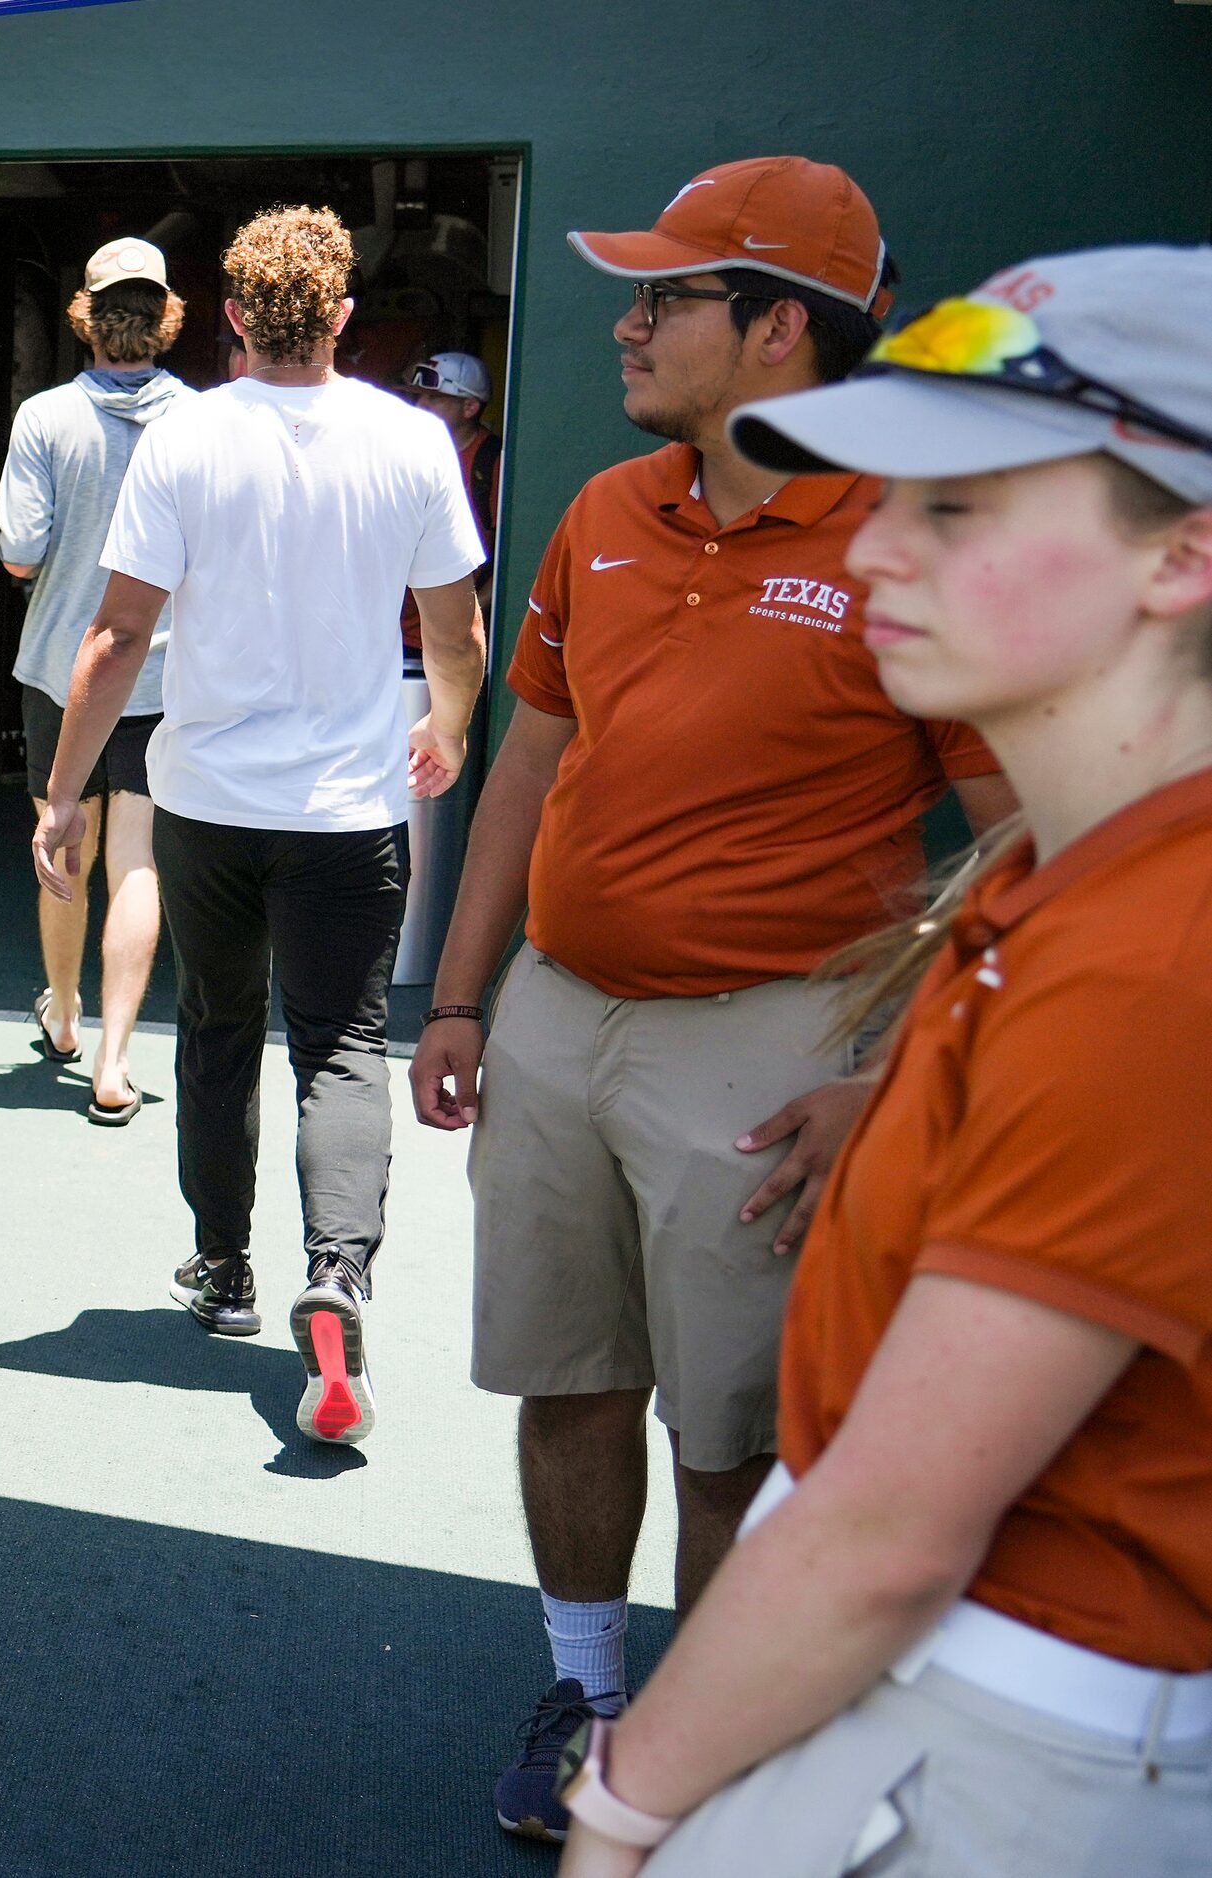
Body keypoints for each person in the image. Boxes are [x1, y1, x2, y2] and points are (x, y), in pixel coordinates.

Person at [555, 243, 1212, 1878]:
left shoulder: (1154, 951)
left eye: (957, 506)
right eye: (877, 493)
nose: (874, 549)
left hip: (992, 1738)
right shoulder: (1072, 877)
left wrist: (619, 1805)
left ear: (1181, 553)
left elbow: (885, 1536)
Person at [401, 157, 1017, 1839]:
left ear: (771, 332)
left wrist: (904, 1068)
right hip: (553, 1014)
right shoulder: (605, 512)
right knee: (565, 1375)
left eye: (664, 296)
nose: (628, 320)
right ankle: (594, 1691)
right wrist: (457, 997)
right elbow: (529, 760)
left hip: (778, 1033)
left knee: (728, 1431)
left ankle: (704, 1736)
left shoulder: (904, 540)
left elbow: (1022, 830)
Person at [36, 205, 489, 1448]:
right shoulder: (410, 442)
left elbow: (118, 637)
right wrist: (447, 727)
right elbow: (453, 629)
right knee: (342, 1045)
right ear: (342, 316)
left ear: (231, 317)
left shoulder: (182, 444)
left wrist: (67, 789)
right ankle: (336, 1278)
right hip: (347, 812)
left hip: (205, 808)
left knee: (221, 1032)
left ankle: (224, 1269)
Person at [0, 235, 190, 1124]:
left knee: (60, 841)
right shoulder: (199, 419)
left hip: (60, 672)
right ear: (166, 319)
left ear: (86, 316)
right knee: (137, 861)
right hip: (160, 672)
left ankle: (65, 1015)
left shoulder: (44, 418)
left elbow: (18, 553)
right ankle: (113, 1061)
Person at [400, 351, 505, 654]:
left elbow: (510, 558)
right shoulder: (404, 454)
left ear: (469, 407)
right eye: (419, 397)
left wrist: (463, 619)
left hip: (451, 641)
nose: (421, 406)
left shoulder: (494, 461)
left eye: (435, 399)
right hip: (394, 635)